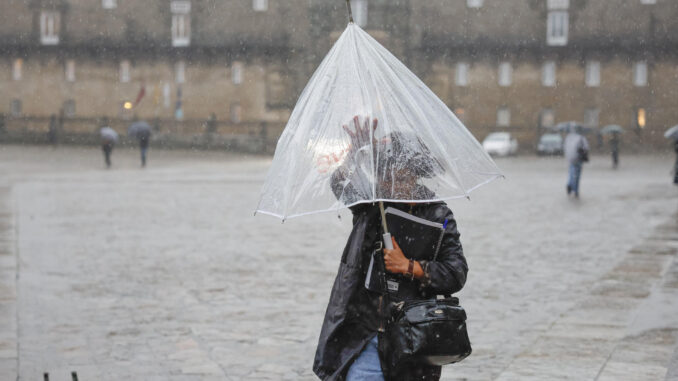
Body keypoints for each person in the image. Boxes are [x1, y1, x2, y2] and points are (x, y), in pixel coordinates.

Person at [313, 116, 468, 381]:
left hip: (415, 338)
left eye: (402, 172)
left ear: (416, 172)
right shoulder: (372, 204)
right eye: (386, 170)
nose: (393, 178)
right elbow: (341, 186)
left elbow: (456, 273)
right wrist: (356, 154)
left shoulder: (438, 213)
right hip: (366, 335)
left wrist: (411, 267)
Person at [564, 125, 589, 198]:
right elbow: (586, 147)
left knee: (571, 173)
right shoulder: (581, 138)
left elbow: (565, 147)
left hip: (570, 159)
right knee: (577, 175)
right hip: (578, 158)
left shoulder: (569, 138)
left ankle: (570, 184)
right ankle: (576, 190)